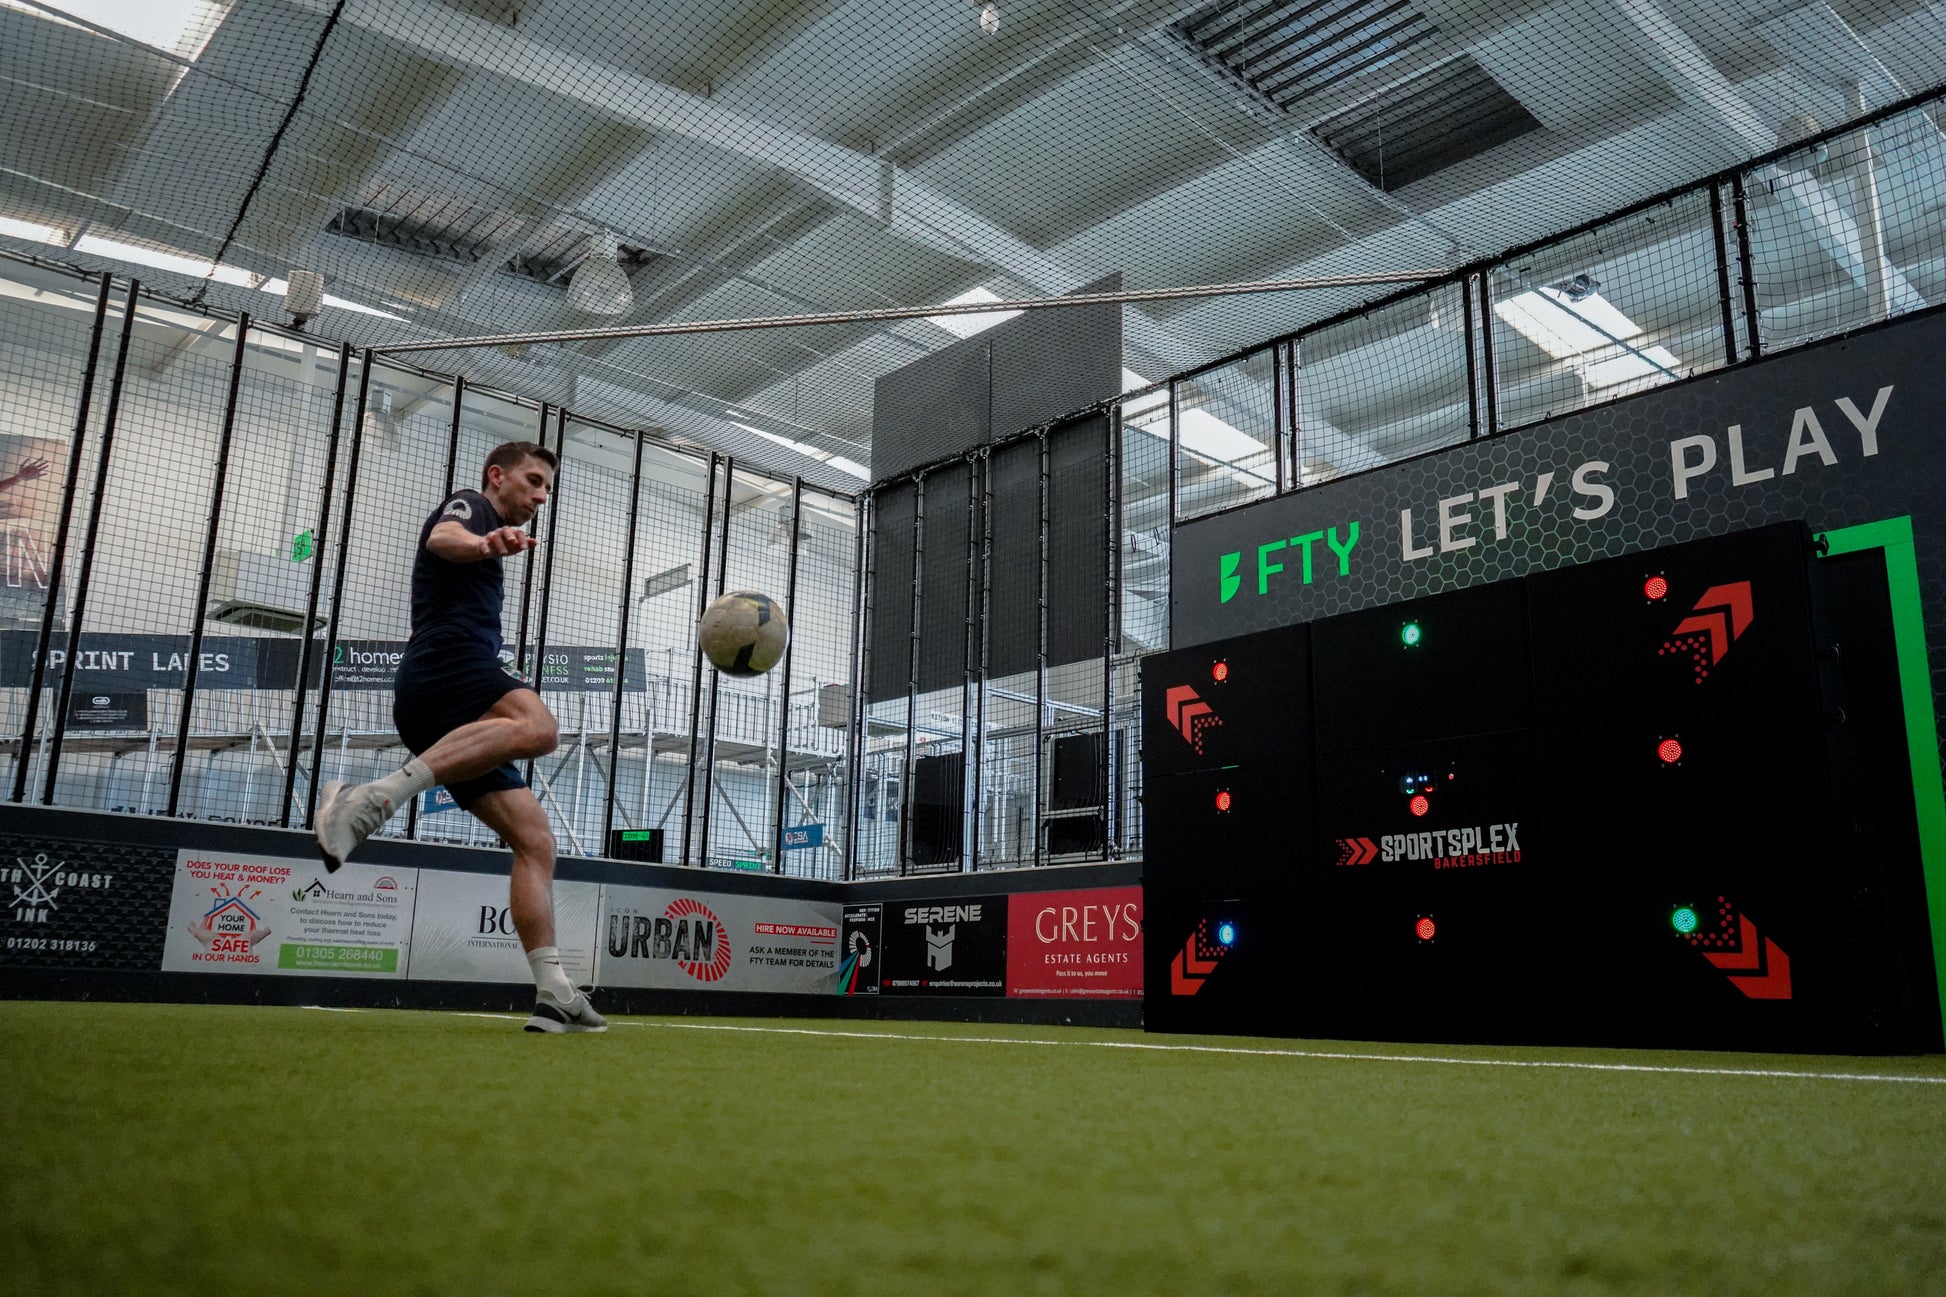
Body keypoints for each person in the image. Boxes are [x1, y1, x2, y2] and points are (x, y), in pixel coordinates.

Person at [314, 440, 606, 1034]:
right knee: (540, 728)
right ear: (497, 476)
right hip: (447, 667)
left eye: (547, 488)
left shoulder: (494, 523)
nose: (541, 496)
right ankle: (373, 800)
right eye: (533, 480)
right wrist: (482, 544)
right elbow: (442, 538)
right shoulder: (471, 504)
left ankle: (554, 991)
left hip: (448, 702)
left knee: (535, 840)